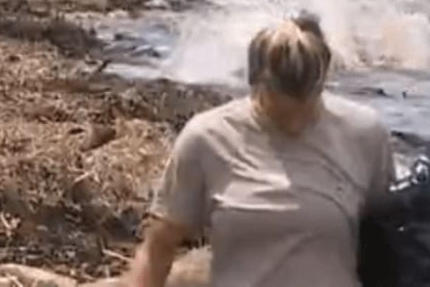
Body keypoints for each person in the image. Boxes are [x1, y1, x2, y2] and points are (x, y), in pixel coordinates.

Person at [128, 15, 394, 287]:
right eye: (280, 108)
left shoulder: (364, 135)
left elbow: (390, 242)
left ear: (322, 81)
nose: (295, 121)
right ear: (256, 83)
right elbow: (159, 246)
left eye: (305, 107)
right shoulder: (208, 137)